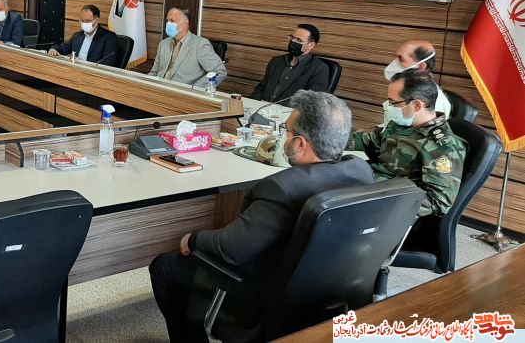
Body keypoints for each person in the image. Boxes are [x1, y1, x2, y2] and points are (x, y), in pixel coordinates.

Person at [149, 91, 373, 342]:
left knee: (164, 267)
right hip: (327, 291)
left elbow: (231, 250)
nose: (282, 137)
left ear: (300, 144)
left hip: (263, 295)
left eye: (286, 131)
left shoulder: (281, 188)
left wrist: (193, 239)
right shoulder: (361, 171)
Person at [350, 70, 466, 218]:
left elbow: (438, 201)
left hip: (387, 208)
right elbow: (369, 141)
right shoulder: (401, 124)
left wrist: (383, 200)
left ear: (416, 105)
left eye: (393, 103)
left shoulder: (442, 147)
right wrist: (330, 141)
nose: (388, 106)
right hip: (367, 185)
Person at [250, 24, 330, 104]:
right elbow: (261, 88)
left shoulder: (319, 68)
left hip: (289, 111)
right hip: (262, 107)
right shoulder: (276, 61)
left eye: (299, 40)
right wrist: (257, 104)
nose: (293, 42)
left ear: (311, 45)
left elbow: (313, 102)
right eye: (292, 38)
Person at [149, 7, 226, 87]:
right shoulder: (163, 44)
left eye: (172, 20)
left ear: (185, 23)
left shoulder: (200, 45)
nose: (168, 24)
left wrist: (195, 89)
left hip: (182, 92)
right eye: (167, 20)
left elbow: (220, 72)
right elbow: (154, 72)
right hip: (157, 88)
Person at [380, 40, 451, 125]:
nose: (395, 62)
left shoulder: (437, 103)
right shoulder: (402, 88)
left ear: (421, 67)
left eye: (401, 59)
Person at [48, 5, 118, 65]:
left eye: (87, 21)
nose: (84, 24)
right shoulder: (77, 36)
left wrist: (86, 65)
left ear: (96, 21)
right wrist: (54, 49)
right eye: (82, 21)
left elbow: (108, 62)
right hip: (75, 70)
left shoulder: (109, 37)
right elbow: (63, 47)